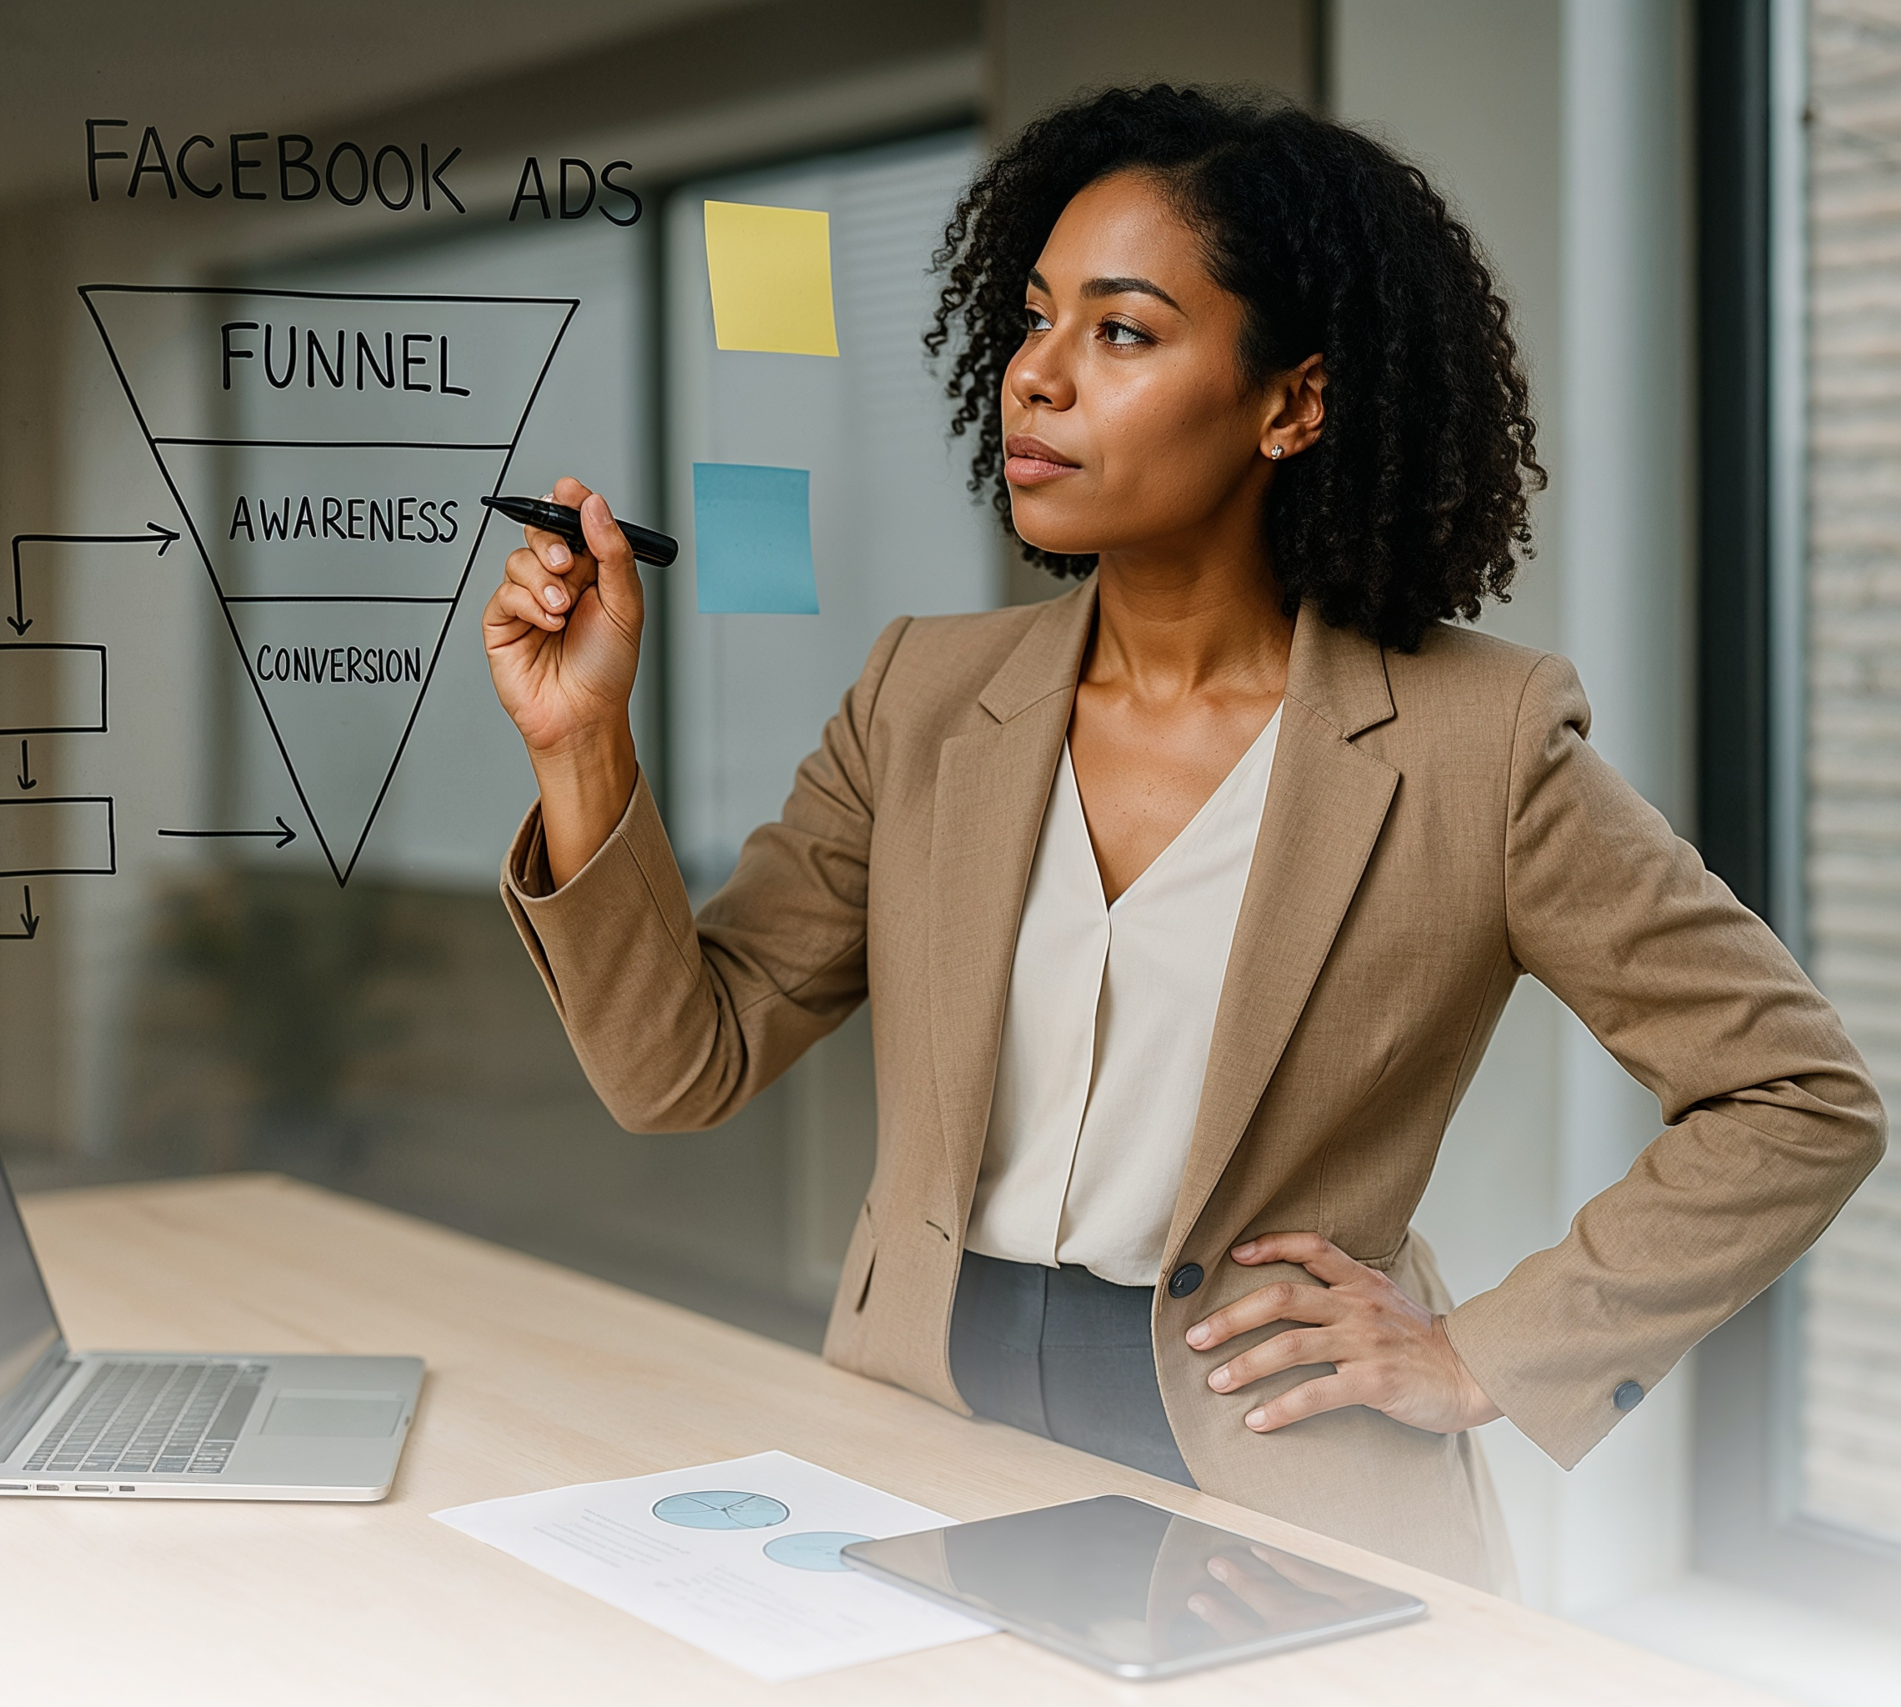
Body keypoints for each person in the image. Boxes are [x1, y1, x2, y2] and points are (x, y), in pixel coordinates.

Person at [477, 85, 1883, 1592]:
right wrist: (582, 744)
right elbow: (677, 1066)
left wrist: (1479, 1354)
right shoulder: (922, 695)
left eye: (1123, 331)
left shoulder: (1479, 745)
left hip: (1276, 1491)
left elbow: (1796, 1094)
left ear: (1293, 402)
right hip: (913, 1433)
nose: (1038, 379)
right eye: (1032, 321)